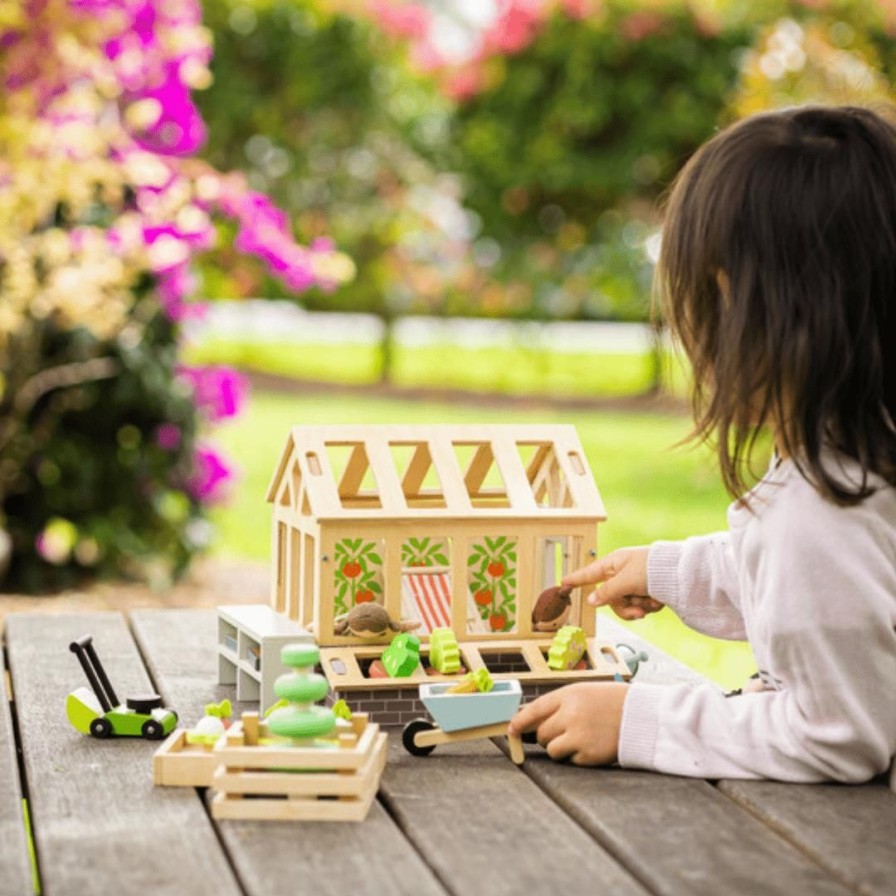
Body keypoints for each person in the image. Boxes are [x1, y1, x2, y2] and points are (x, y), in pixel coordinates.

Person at [508, 105, 896, 785]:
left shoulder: (821, 516)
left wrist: (635, 720)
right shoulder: (861, 459)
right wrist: (669, 573)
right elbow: (831, 598)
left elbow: (837, 736)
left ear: (734, 303)